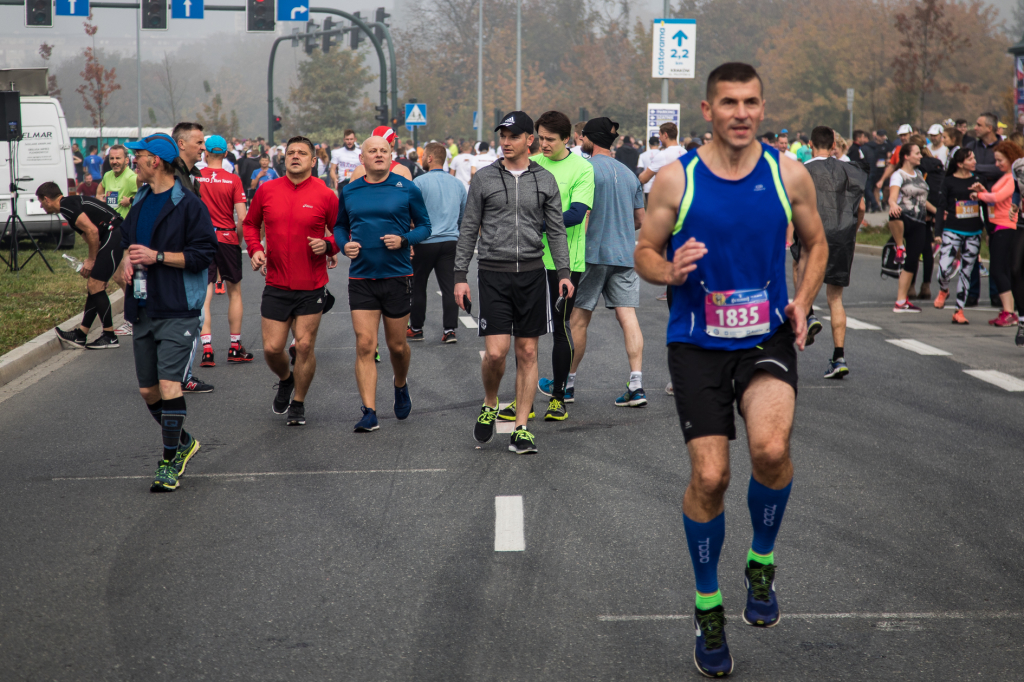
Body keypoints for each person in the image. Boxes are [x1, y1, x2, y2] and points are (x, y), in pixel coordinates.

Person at [633, 62, 828, 678]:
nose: (740, 113)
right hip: (696, 343)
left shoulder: (787, 173)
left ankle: (761, 562)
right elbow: (643, 251)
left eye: (750, 102)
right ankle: (707, 604)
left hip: (766, 334)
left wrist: (803, 299)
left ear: (762, 108)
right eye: (728, 103)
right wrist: (668, 271)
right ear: (707, 110)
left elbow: (816, 243)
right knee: (711, 477)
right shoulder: (677, 178)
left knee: (770, 449)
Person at [454, 111, 574, 455]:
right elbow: (469, 227)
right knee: (496, 353)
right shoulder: (484, 178)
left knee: (528, 351)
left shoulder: (545, 180)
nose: (506, 142)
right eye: (502, 137)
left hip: (533, 274)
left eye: (513, 137)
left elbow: (556, 230)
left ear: (529, 140)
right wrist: (460, 276)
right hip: (493, 273)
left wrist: (564, 273)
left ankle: (521, 428)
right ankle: (490, 402)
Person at [119, 132, 217, 492]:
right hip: (144, 306)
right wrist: (126, 260)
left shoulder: (188, 204)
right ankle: (184, 441)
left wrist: (157, 256)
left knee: (169, 385)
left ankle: (169, 461)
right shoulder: (141, 199)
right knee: (149, 391)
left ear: (155, 161)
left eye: (138, 155)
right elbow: (128, 241)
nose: (133, 160)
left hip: (178, 306)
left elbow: (204, 254)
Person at [335, 134, 432, 432]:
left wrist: (404, 239)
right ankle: (369, 411)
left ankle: (400, 384)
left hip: (397, 276)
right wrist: (344, 245)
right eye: (372, 151)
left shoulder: (407, 188)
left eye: (384, 151)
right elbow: (340, 226)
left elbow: (425, 226)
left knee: (397, 346)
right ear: (362, 158)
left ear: (391, 156)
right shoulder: (350, 190)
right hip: (361, 277)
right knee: (365, 344)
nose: (378, 154)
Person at [548, 117, 647, 406]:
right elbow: (640, 220)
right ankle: (637, 384)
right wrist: (619, 228)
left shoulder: (585, 168)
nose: (580, 141)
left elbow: (584, 215)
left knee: (578, 321)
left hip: (590, 254)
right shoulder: (629, 174)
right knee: (628, 317)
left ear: (590, 139)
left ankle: (567, 384)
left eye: (582, 137)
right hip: (624, 254)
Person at [243, 136, 340, 427]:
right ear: (283, 158)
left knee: (305, 346)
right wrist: (255, 249)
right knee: (272, 349)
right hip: (276, 283)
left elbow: (343, 231)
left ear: (313, 161)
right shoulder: (267, 190)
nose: (295, 156)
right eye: (291, 152)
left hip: (311, 284)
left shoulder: (326, 195)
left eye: (302, 153)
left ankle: (298, 402)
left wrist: (329, 245)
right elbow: (250, 224)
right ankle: (286, 379)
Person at [527, 110, 595, 422]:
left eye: (550, 139)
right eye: (540, 138)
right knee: (526, 332)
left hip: (565, 262)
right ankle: (525, 400)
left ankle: (558, 397)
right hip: (529, 258)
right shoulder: (531, 164)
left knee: (560, 327)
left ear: (566, 139)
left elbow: (576, 214)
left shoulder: (582, 168)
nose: (543, 144)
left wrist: (533, 222)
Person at [802, 127, 866, 378]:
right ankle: (839, 357)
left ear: (810, 144)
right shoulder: (849, 169)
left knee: (800, 267)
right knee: (835, 298)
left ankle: (808, 314)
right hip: (842, 235)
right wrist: (852, 231)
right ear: (833, 146)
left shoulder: (803, 170)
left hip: (814, 234)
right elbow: (861, 208)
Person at [37, 183, 125, 350]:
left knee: (96, 285)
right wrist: (96, 264)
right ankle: (81, 335)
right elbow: (89, 235)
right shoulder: (69, 205)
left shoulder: (67, 206)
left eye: (41, 202)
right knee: (94, 285)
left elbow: (92, 231)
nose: (41, 206)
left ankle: (109, 336)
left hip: (115, 232)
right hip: (111, 234)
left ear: (47, 199)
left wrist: (91, 260)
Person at [196, 135, 252, 366]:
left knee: (205, 294)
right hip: (227, 237)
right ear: (226, 154)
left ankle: (207, 349)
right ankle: (235, 347)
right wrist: (238, 241)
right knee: (234, 292)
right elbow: (243, 218)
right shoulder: (233, 179)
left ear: (205, 153)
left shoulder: (196, 178)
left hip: (203, 239)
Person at [409, 141, 466, 343]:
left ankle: (416, 328)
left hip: (424, 242)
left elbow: (409, 212)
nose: (422, 159)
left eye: (424, 156)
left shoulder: (418, 182)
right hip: (450, 242)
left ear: (430, 158)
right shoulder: (457, 184)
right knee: (449, 287)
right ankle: (450, 330)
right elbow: (463, 216)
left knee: (418, 286)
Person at [972, 140, 1023, 326]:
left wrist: (979, 195)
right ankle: (1008, 309)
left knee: (998, 269)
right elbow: (994, 198)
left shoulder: (1011, 178)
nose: (997, 164)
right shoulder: (1005, 177)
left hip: (1006, 226)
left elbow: (998, 197)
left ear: (1010, 158)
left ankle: (1010, 311)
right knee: (1000, 269)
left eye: (1000, 160)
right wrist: (983, 191)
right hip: (997, 225)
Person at [934, 148, 983, 323]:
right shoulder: (948, 181)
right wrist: (937, 232)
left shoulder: (978, 180)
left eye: (974, 158)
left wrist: (981, 194)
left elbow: (987, 202)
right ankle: (944, 289)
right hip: (952, 229)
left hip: (974, 231)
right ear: (960, 164)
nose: (974, 161)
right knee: (943, 269)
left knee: (966, 272)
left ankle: (959, 310)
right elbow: (941, 207)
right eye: (970, 159)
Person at [888, 143, 935, 312]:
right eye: (917, 153)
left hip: (920, 221)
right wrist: (893, 204)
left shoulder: (919, 174)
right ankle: (900, 246)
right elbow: (892, 197)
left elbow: (922, 200)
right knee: (895, 214)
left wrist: (938, 212)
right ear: (906, 156)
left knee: (912, 261)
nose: (920, 156)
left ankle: (901, 301)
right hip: (904, 217)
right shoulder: (898, 175)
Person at [348, 126, 413, 182]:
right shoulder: (402, 171)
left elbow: (350, 191)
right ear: (393, 143)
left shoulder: (359, 170)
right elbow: (409, 192)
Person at [97, 145, 139, 219]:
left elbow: (145, 195)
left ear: (127, 160)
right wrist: (98, 196)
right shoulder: (107, 175)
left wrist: (130, 200)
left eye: (118, 158)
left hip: (124, 223)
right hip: (109, 222)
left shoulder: (131, 178)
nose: (114, 162)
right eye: (111, 158)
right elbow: (101, 185)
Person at [638, 122, 686, 187]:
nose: (659, 138)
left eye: (660, 135)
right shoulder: (685, 152)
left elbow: (643, 179)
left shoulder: (663, 155)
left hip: (668, 191)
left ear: (665, 135)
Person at [636, 135, 661, 205]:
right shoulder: (662, 154)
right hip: (661, 187)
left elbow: (639, 171)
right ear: (659, 144)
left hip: (647, 187)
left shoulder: (643, 155)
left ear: (649, 144)